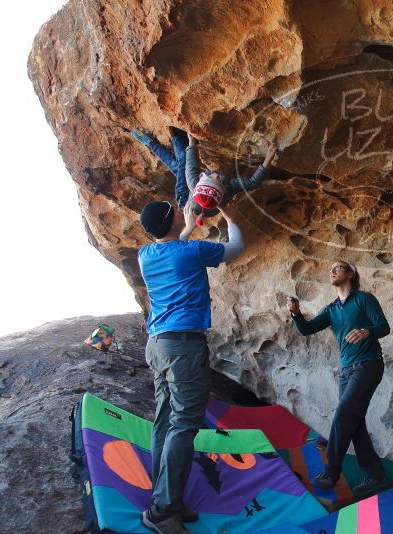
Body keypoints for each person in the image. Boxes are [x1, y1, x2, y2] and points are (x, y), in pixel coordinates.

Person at [137, 200, 245, 534]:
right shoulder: (192, 252)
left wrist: (185, 227)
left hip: (157, 345)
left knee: (164, 421)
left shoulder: (145, 255)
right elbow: (237, 247)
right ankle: (163, 509)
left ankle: (166, 496)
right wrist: (230, 216)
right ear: (172, 223)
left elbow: (175, 246)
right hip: (183, 348)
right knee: (183, 425)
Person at [285, 261, 390, 493]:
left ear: (351, 273)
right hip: (346, 370)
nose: (332, 271)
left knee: (344, 413)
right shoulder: (331, 309)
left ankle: (331, 472)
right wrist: (296, 314)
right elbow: (307, 329)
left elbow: (384, 327)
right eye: (330, 269)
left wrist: (366, 332)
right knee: (354, 421)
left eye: (338, 267)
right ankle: (375, 474)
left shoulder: (364, 299)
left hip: (368, 365)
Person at [132, 127, 277, 225]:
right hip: (199, 203)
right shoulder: (228, 188)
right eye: (216, 179)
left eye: (212, 178)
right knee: (178, 166)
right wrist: (267, 160)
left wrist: (191, 142)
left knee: (181, 164)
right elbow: (253, 182)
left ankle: (168, 139)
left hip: (184, 199)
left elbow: (191, 161)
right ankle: (169, 139)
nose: (214, 175)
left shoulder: (193, 181)